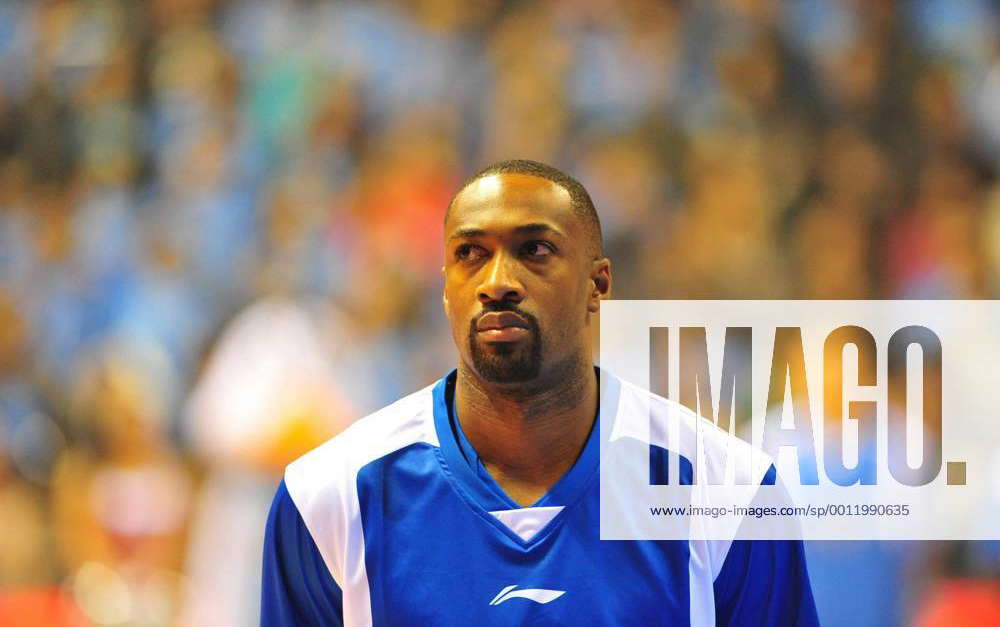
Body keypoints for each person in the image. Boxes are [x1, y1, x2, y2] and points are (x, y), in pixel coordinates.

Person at [260, 159, 819, 625]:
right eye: (470, 254)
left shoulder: (728, 490)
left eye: (535, 250)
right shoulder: (328, 497)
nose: (497, 280)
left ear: (598, 283)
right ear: (446, 288)